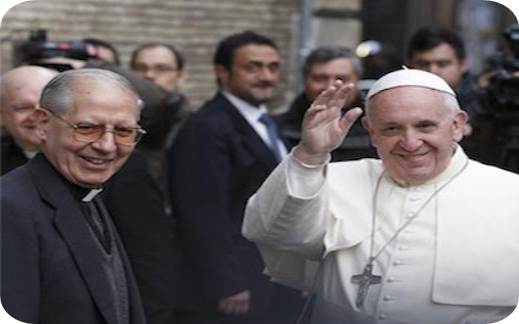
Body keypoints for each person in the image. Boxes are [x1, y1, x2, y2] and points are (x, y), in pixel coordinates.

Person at [243, 69, 519, 324]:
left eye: (425, 126)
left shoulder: (511, 195)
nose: (410, 143)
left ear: (457, 126)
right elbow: (272, 233)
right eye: (391, 128)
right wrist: (309, 155)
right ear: (372, 132)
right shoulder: (329, 179)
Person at [169, 31, 304, 324]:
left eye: (272, 67)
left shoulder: (264, 121)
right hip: (238, 285)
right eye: (252, 67)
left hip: (273, 275)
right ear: (222, 72)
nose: (266, 76)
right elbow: (201, 212)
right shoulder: (206, 127)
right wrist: (226, 281)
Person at [1, 69, 148, 324]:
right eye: (87, 128)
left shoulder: (87, 193)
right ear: (42, 123)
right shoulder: (8, 207)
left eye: (124, 132)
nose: (107, 146)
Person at [277, 46, 376, 161]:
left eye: (341, 79)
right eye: (320, 78)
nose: (331, 87)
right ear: (305, 81)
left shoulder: (379, 128)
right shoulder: (275, 128)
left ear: (357, 80)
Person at [407, 27, 488, 161]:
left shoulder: (484, 100)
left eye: (443, 64)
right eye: (423, 64)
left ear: (462, 65)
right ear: (411, 65)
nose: (433, 71)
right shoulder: (399, 100)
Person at [130, 42, 191, 193]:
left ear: (181, 76)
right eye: (140, 68)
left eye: (161, 69)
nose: (149, 75)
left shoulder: (193, 123)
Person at [0, 65, 58, 175]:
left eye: (47, 104)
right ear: (2, 116)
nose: (39, 114)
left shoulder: (94, 154)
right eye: (23, 108)